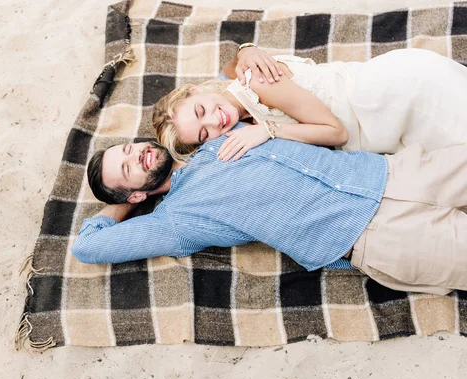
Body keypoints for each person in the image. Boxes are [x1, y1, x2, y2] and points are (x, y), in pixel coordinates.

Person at [72, 136, 467, 296]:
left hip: (395, 171)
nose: (135, 154)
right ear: (137, 191)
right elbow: (89, 247)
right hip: (378, 234)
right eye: (126, 167)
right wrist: (129, 200)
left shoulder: (213, 138)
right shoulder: (177, 220)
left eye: (128, 148)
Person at [153, 44, 467, 162]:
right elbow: (229, 68)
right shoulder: (239, 96)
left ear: (195, 90)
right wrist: (244, 51)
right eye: (205, 133)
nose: (215, 121)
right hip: (387, 104)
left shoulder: (258, 85)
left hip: (399, 99)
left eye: (200, 110)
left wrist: (269, 131)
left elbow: (337, 133)